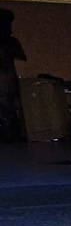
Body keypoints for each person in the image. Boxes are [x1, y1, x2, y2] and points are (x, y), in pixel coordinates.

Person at [0, 8, 27, 141]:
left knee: (9, 107)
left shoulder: (11, 42)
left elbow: (21, 57)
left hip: (8, 80)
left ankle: (10, 133)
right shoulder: (10, 42)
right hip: (7, 80)